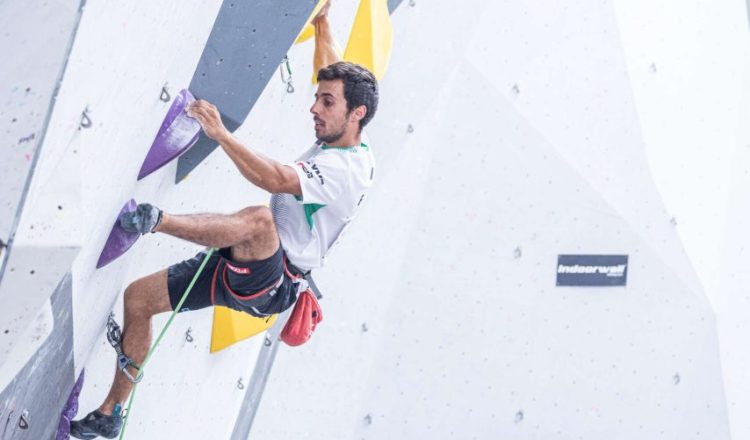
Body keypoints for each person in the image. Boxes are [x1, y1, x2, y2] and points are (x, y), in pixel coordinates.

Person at [70, 2, 378, 438]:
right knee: (139, 300)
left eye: (326, 102)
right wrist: (324, 19)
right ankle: (111, 413)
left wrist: (220, 133)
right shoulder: (346, 133)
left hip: (274, 282)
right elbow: (334, 70)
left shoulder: (344, 172)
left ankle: (153, 221)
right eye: (317, 98)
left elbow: (272, 178)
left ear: (357, 114)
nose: (315, 107)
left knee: (259, 220)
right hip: (252, 263)